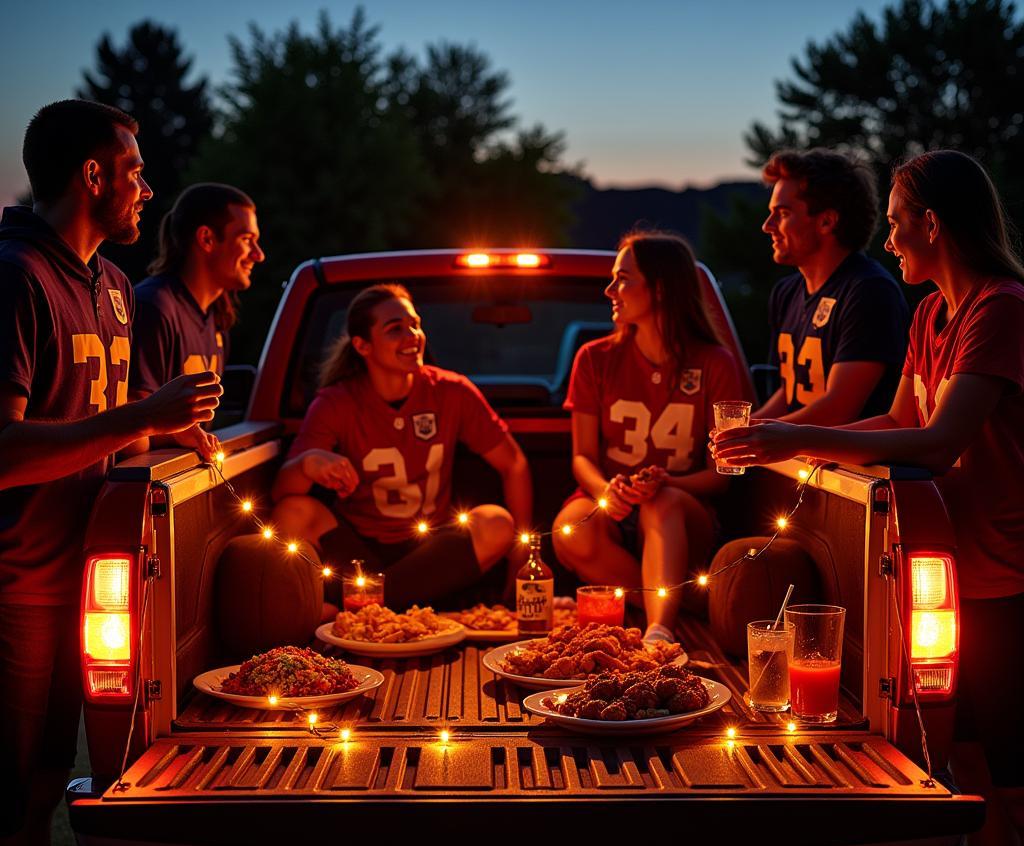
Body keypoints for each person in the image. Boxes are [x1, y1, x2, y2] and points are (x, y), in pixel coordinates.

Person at [714, 150, 1024, 846]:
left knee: (1014, 788)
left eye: (896, 221)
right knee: (981, 778)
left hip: (1012, 576)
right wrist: (791, 446)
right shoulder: (931, 314)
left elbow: (939, 442)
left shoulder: (1000, 310)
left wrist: (792, 439)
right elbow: (899, 416)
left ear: (934, 223)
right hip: (973, 577)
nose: (887, 237)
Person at [0, 99, 222, 846]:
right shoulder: (14, 277)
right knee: (10, 795)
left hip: (68, 583)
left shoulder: (114, 287)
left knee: (42, 787)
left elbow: (103, 437)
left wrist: (172, 448)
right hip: (10, 580)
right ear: (92, 175)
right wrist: (144, 417)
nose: (146, 186)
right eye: (133, 169)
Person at [271, 283, 531, 610]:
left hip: (431, 550)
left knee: (497, 522)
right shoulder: (336, 402)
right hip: (361, 551)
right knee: (291, 512)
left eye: (415, 324)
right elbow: (281, 493)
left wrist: (522, 554)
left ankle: (365, 609)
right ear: (362, 346)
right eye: (395, 329)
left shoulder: (452, 391)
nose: (413, 336)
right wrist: (310, 462)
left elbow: (514, 463)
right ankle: (402, 606)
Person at [552, 230, 744, 643]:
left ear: (659, 288)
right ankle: (682, 601)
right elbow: (582, 456)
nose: (610, 290)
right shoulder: (595, 358)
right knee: (571, 526)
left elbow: (722, 475)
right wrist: (610, 492)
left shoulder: (714, 363)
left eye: (622, 279)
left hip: (683, 512)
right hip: (613, 506)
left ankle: (660, 629)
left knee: (661, 503)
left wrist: (665, 482)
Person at [755, 148, 910, 424]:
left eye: (783, 213)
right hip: (798, 460)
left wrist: (760, 436)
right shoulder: (787, 293)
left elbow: (838, 409)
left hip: (849, 465)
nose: (768, 226)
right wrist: (743, 429)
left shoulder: (869, 291)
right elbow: (792, 392)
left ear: (827, 220)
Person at [128, 183, 264, 461]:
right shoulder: (154, 308)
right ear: (206, 239)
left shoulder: (217, 322)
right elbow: (131, 425)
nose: (258, 255)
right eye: (247, 239)